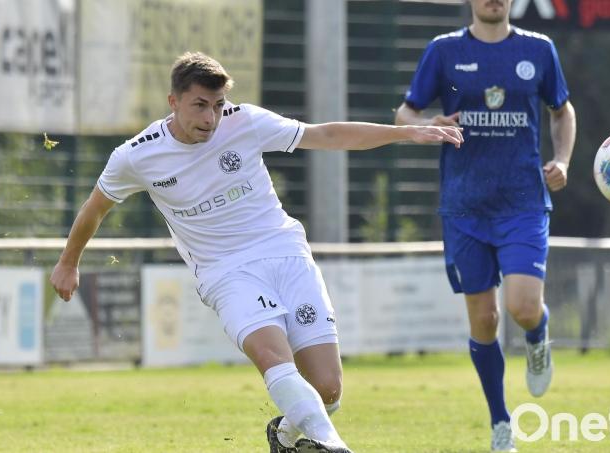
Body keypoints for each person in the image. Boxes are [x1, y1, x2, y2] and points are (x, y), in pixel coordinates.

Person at [50, 51, 463, 453]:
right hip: (225, 272)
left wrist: (405, 132)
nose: (210, 118)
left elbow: (326, 134)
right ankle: (333, 445)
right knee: (272, 355)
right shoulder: (136, 155)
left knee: (328, 391)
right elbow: (95, 207)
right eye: (199, 105)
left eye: (217, 105)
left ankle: (284, 438)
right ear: (173, 102)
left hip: (284, 250)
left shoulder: (245, 121)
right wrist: (69, 262)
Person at [394, 1, 576, 451]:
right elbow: (404, 115)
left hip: (522, 202)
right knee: (484, 320)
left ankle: (538, 335)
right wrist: (425, 125)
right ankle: (501, 423)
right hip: (464, 208)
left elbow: (562, 111)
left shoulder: (539, 49)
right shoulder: (443, 51)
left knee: (523, 306)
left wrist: (563, 160)